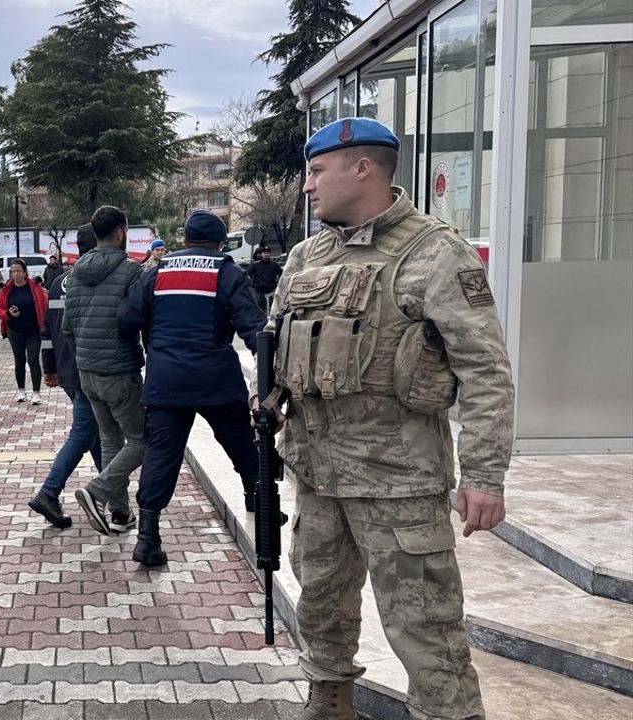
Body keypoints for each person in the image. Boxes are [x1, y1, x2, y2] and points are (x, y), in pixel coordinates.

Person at [259, 117, 515, 720]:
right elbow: (278, 344)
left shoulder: (435, 252)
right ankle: (328, 707)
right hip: (319, 480)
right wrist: (268, 400)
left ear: (362, 168)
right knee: (321, 609)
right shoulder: (306, 254)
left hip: (398, 483)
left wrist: (485, 474)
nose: (307, 186)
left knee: (426, 633)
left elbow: (485, 370)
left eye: (316, 172)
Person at [118, 209, 268, 566]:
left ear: (184, 239)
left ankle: (148, 538)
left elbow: (127, 319)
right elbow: (255, 328)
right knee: (244, 444)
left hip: (166, 382)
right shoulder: (227, 272)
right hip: (217, 380)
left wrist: (151, 343)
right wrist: (267, 383)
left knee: (161, 455)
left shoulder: (156, 273)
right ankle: (258, 507)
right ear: (219, 242)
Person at [65, 206, 143, 537]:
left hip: (87, 372)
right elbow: (140, 319)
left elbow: (67, 327)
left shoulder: (75, 273)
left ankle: (120, 513)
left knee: (111, 439)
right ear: (121, 232)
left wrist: (83, 357)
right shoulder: (131, 271)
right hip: (118, 370)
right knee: (144, 440)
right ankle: (97, 491)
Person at [28, 225, 108, 529]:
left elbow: (47, 330)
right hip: (90, 369)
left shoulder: (60, 282)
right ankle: (49, 492)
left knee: (95, 434)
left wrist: (49, 367)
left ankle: (111, 493)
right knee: (84, 432)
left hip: (66, 370)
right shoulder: (97, 279)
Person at [0, 258, 48, 404]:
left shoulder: (35, 287)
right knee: (19, 360)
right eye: (13, 271)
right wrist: (8, 314)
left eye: (18, 271)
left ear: (25, 272)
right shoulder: (6, 289)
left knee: (33, 359)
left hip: (33, 330)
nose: (15, 274)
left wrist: (46, 325)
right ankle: (21, 390)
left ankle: (36, 393)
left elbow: (44, 304)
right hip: (14, 330)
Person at [246, 244, 282, 312]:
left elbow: (281, 274)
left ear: (270, 254)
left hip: (271, 291)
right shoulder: (255, 265)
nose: (266, 254)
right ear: (261, 254)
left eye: (267, 253)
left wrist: (278, 284)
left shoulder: (274, 265)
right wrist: (250, 285)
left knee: (273, 309)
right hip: (258, 291)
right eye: (264, 253)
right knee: (258, 309)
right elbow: (248, 275)